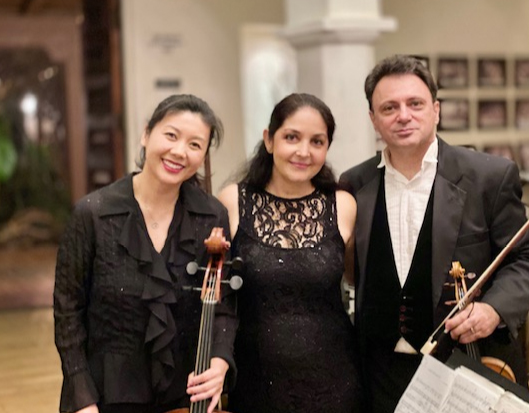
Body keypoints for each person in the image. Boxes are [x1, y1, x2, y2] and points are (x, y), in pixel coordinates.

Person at [339, 55, 529, 412]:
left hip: (467, 367)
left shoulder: (488, 176)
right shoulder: (354, 183)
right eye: (389, 107)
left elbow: (526, 260)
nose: (403, 115)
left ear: (436, 109)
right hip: (382, 373)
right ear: (373, 119)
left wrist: (493, 310)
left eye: (415, 104)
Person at [53, 94, 237, 413]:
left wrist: (220, 361)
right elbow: (68, 312)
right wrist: (82, 397)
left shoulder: (212, 217)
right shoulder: (93, 214)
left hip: (184, 392)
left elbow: (223, 305)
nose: (179, 151)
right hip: (108, 394)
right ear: (145, 134)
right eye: (171, 135)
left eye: (195, 145)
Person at [218, 93, 362, 412]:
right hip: (256, 381)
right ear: (269, 140)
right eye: (291, 137)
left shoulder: (344, 206)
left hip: (336, 380)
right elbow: (220, 297)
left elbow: (354, 280)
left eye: (317, 141)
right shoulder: (232, 201)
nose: (303, 151)